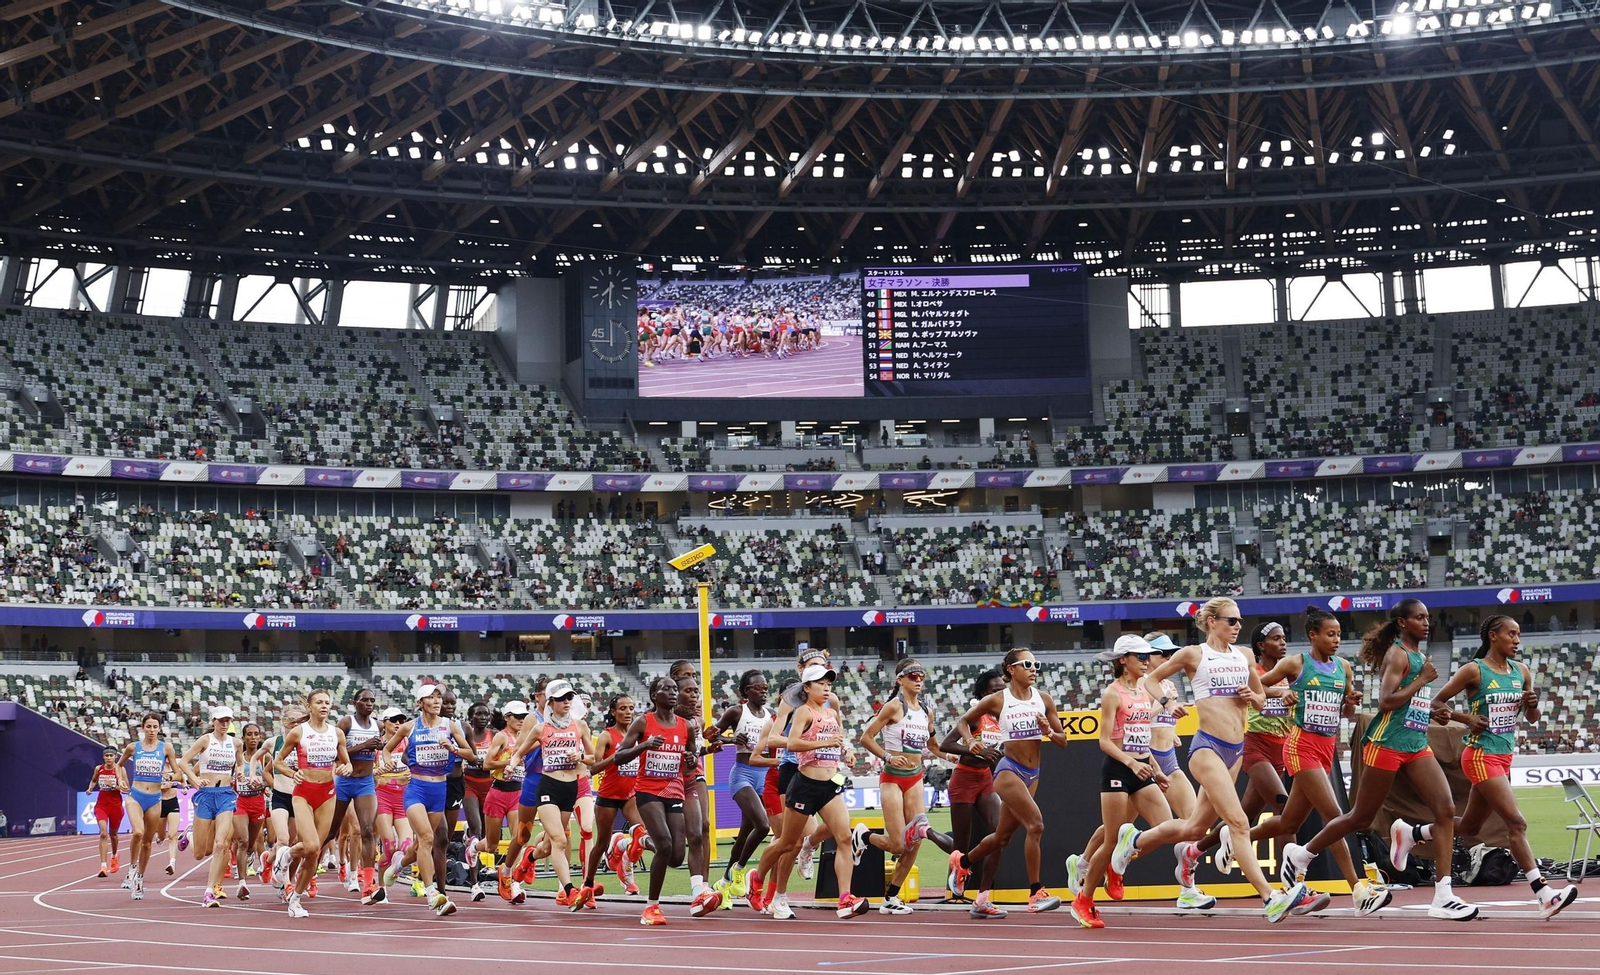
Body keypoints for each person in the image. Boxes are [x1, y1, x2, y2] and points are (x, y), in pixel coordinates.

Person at [1109, 597, 1324, 922]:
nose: (1237, 626)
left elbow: (1261, 703)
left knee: (1196, 826)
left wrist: (1256, 697)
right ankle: (1271, 898)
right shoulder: (1193, 654)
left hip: (1234, 752)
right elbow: (1150, 680)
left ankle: (1136, 839)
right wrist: (1168, 703)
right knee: (1238, 822)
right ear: (1212, 621)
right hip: (1206, 748)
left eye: (1239, 621)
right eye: (1231, 621)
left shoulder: (1245, 656)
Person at [1276, 598, 1478, 921]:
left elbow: (1409, 705)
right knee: (1358, 816)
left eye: (1428, 617)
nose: (1427, 623)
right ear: (1402, 623)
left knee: (1446, 808)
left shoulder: (1420, 657)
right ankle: (1303, 854)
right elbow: (1386, 702)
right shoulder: (1397, 654)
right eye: (1419, 618)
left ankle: (1443, 894)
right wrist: (1423, 680)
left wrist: (1433, 710)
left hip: (1414, 743)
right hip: (1386, 744)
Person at [1203, 607, 1391, 916]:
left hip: (1325, 748)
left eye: (1339, 635)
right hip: (1300, 746)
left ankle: (1234, 835)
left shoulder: (1343, 667)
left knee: (1289, 822)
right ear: (1312, 635)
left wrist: (1349, 702)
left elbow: (1344, 714)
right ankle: (1358, 889)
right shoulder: (1296, 664)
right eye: (1330, 634)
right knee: (1334, 815)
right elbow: (1258, 686)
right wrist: (1283, 693)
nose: (1336, 640)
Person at [1428, 614, 1577, 919]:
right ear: (1493, 636)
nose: (1517, 640)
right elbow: (1436, 703)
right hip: (1480, 755)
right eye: (1511, 634)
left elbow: (1532, 719)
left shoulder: (1521, 671)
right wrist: (1467, 719)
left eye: (1519, 635)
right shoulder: (1474, 670)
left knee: (1469, 827)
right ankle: (1544, 894)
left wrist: (1533, 703)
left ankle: (1412, 832)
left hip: (1505, 755)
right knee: (1516, 823)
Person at [946, 649, 1071, 917]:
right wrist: (971, 742)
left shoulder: (1044, 699)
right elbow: (963, 721)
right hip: (1008, 771)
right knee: (1036, 825)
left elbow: (1063, 742)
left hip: (1032, 773)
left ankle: (963, 862)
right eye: (1027, 664)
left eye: (1036, 664)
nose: (1034, 668)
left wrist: (1047, 730)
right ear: (1011, 669)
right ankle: (1036, 893)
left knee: (1001, 838)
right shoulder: (998, 700)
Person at [747, 663, 870, 920]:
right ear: (807, 688)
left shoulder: (833, 714)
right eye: (821, 684)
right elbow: (791, 743)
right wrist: (824, 741)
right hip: (804, 785)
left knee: (844, 837)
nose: (826, 689)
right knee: (786, 843)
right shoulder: (802, 712)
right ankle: (756, 879)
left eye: (829, 684)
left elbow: (838, 740)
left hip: (829, 784)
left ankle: (845, 898)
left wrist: (845, 752)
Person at [1068, 636, 1176, 928]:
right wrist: (1130, 763)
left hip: (1142, 767)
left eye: (1147, 657)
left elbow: (1142, 739)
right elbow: (1104, 741)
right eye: (1140, 657)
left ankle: (1120, 864)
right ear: (1122, 660)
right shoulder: (1112, 694)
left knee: (1166, 828)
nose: (1145, 661)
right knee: (1112, 837)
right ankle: (1084, 901)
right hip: (1117, 769)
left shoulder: (1142, 691)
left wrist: (1155, 768)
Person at [856, 658, 959, 914]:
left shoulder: (926, 710)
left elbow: (933, 746)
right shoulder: (893, 707)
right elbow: (865, 738)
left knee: (914, 842)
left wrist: (949, 757)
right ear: (900, 679)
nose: (918, 679)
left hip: (915, 777)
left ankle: (891, 897)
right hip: (891, 778)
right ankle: (863, 835)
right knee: (898, 844)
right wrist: (888, 756)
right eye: (912, 675)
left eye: (921, 675)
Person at [1199, 621, 1294, 873]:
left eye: (1284, 637)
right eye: (1276, 638)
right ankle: (1295, 881)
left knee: (1241, 816)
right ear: (1261, 646)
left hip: (1281, 749)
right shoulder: (1250, 668)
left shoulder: (1288, 673)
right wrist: (1279, 693)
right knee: (1285, 810)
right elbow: (1257, 688)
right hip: (1255, 745)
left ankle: (1194, 850)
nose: (1283, 642)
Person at [381, 682, 477, 917]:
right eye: (431, 698)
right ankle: (432, 893)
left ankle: (399, 865)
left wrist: (453, 749)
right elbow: (386, 749)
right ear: (420, 703)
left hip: (440, 790)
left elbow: (472, 756)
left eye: (439, 698)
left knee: (420, 846)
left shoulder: (450, 726)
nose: (437, 702)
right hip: (416, 789)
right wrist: (388, 760)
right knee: (426, 838)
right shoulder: (409, 727)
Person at [612, 675, 698, 925]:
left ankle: (634, 841)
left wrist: (691, 762)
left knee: (676, 857)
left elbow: (689, 766)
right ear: (654, 696)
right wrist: (645, 745)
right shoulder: (643, 722)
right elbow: (619, 757)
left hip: (674, 791)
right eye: (666, 689)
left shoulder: (686, 726)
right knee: (665, 844)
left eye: (674, 689)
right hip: (648, 791)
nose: (672, 693)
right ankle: (651, 908)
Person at [516, 678, 595, 909]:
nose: (567, 702)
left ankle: (529, 858)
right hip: (547, 786)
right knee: (561, 840)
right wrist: (512, 764)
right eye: (562, 698)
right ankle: (570, 890)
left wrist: (579, 757)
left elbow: (592, 759)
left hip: (571, 788)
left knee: (550, 846)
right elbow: (519, 751)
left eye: (570, 697)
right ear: (550, 702)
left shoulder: (580, 726)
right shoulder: (540, 727)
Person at [274, 690, 353, 918]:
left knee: (315, 851)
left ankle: (295, 900)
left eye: (327, 703)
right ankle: (286, 855)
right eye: (319, 702)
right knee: (309, 846)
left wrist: (345, 768)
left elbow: (345, 762)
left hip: (327, 793)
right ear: (310, 707)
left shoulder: (336, 733)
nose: (324, 706)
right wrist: (292, 773)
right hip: (303, 794)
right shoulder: (299, 733)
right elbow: (278, 761)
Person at [938, 669, 1008, 919]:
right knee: (961, 845)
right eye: (994, 690)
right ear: (983, 694)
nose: (1000, 693)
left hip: (986, 781)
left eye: (1003, 689)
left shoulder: (1006, 717)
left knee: (999, 836)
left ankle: (982, 898)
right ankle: (926, 832)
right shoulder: (977, 717)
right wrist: (977, 750)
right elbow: (945, 744)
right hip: (963, 779)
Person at [711, 674, 775, 901]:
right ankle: (738, 871)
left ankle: (724, 883)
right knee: (763, 825)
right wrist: (732, 739)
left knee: (744, 834)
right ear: (746, 691)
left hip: (764, 777)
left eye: (766, 687)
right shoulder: (737, 712)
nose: (764, 691)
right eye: (758, 687)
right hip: (742, 775)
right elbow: (710, 736)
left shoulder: (771, 716)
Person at [176, 705, 243, 908]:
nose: (224, 724)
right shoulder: (205, 740)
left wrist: (239, 772)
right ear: (213, 721)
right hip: (205, 796)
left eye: (228, 720)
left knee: (221, 844)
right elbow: (184, 762)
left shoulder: (236, 743)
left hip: (225, 796)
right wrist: (196, 780)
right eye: (221, 720)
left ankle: (209, 892)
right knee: (200, 853)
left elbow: (240, 764)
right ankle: (189, 835)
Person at [580, 695, 644, 899]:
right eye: (622, 708)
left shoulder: (638, 736)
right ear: (613, 712)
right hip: (608, 796)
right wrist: (614, 757)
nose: (627, 712)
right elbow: (593, 768)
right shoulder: (607, 736)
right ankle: (588, 883)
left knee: (642, 835)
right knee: (601, 842)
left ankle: (626, 871)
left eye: (631, 708)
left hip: (631, 795)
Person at [325, 687, 383, 903]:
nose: (369, 704)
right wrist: (364, 745)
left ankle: (368, 884)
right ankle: (308, 873)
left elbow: (379, 750)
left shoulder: (378, 726)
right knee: (331, 832)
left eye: (372, 700)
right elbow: (334, 754)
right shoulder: (346, 723)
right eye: (364, 700)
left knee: (367, 830)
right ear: (355, 703)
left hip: (365, 783)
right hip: (344, 782)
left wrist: (378, 747)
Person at [118, 714, 181, 900]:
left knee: (147, 842)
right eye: (149, 726)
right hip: (135, 796)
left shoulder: (166, 748)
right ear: (143, 728)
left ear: (159, 728)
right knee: (137, 832)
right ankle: (131, 867)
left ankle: (139, 879)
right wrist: (121, 780)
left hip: (155, 799)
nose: (152, 730)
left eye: (155, 726)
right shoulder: (133, 747)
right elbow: (119, 765)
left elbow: (178, 774)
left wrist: (169, 777)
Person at [480, 699, 531, 902]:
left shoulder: (527, 738)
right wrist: (510, 761)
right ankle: (472, 847)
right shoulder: (501, 737)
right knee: (491, 845)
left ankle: (513, 883)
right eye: (517, 717)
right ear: (507, 718)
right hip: (498, 793)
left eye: (523, 717)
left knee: (517, 838)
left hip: (517, 792)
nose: (521, 720)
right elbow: (486, 764)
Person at [260, 704, 308, 890]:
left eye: (299, 722)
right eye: (291, 722)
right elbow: (262, 765)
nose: (294, 725)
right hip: (280, 797)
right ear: (284, 723)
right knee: (283, 839)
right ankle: (286, 884)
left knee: (294, 842)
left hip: (298, 798)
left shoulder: (305, 743)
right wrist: (271, 784)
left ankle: (268, 860)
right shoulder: (276, 742)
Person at [373, 708, 414, 891]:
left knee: (406, 846)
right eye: (394, 720)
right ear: (384, 722)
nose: (398, 724)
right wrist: (378, 774)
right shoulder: (377, 745)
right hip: (382, 796)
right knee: (389, 847)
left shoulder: (407, 742)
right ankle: (381, 887)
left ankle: (395, 869)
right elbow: (368, 774)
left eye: (401, 720)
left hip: (403, 798)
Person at [230, 723, 269, 899]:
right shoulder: (237, 757)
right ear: (244, 738)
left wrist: (263, 783)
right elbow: (228, 778)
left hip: (258, 803)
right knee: (242, 841)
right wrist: (235, 779)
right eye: (250, 735)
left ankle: (250, 859)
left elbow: (272, 777)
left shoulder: (265, 757)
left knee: (252, 845)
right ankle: (242, 883)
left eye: (256, 734)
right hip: (241, 803)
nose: (253, 737)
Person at [89, 746, 127, 879]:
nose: (109, 758)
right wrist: (90, 788)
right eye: (107, 756)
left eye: (111, 755)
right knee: (103, 833)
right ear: (103, 757)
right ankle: (103, 866)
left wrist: (113, 786)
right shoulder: (99, 769)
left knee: (113, 834)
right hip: (102, 805)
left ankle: (115, 855)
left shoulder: (120, 770)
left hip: (116, 806)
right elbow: (94, 780)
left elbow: (126, 789)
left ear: (116, 756)